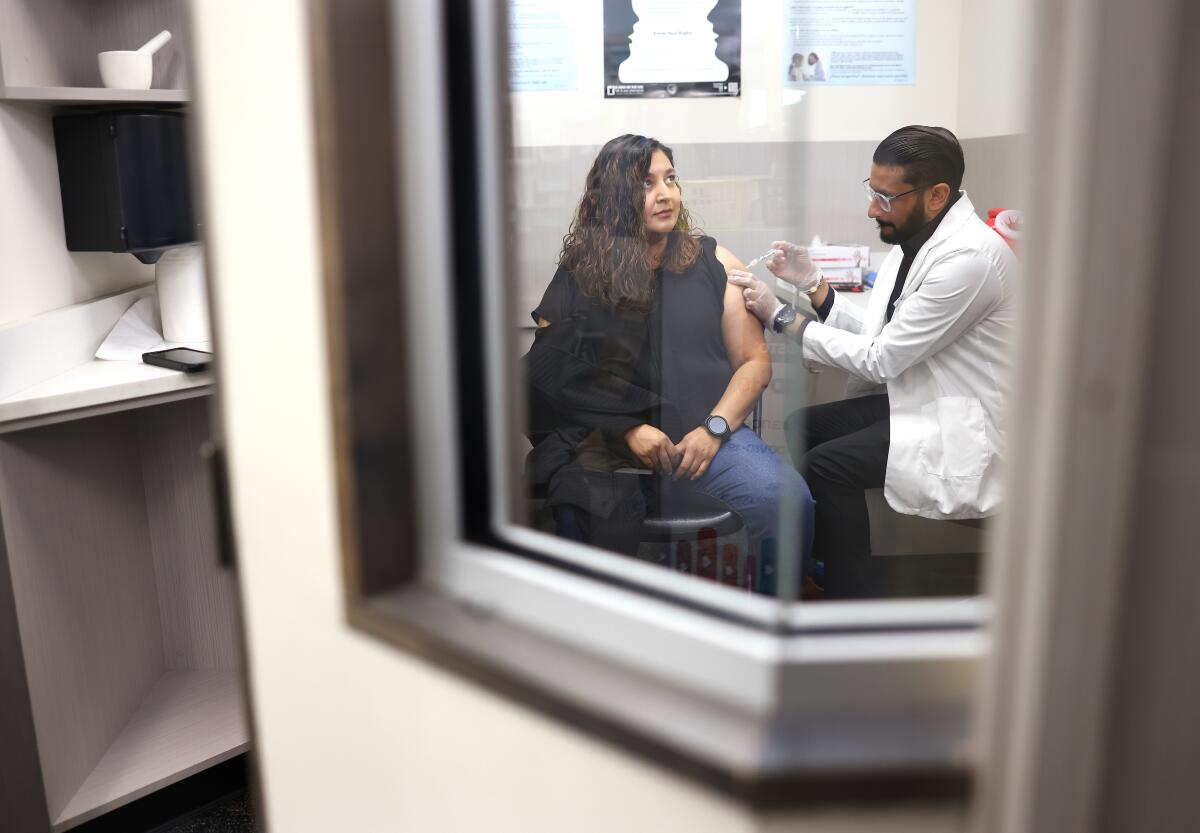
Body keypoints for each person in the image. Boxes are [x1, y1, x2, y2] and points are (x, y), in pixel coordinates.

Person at [727, 126, 1018, 598]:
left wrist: (784, 318)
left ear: (937, 195)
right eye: (872, 191)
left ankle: (848, 597)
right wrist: (816, 286)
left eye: (886, 197)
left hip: (971, 422)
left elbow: (882, 359)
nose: (871, 208)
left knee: (828, 466)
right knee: (805, 426)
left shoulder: (969, 258)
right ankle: (830, 563)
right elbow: (880, 334)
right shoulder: (919, 243)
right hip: (929, 399)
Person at [524, 134, 814, 588]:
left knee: (787, 501)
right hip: (611, 438)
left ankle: (774, 623)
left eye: (671, 179)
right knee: (574, 510)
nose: (666, 194)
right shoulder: (581, 271)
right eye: (646, 184)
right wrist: (627, 428)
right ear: (617, 198)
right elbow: (549, 368)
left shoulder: (714, 262)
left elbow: (754, 362)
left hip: (706, 436)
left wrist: (714, 429)